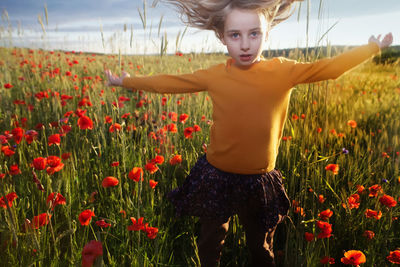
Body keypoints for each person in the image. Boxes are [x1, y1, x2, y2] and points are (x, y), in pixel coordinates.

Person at [105, 0, 393, 266]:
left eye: (254, 33)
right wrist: (128, 81)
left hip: (259, 180)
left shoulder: (284, 72)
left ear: (267, 34)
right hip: (216, 175)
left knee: (260, 246)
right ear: (222, 37)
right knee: (209, 242)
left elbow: (327, 69)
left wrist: (370, 49)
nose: (245, 44)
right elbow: (171, 82)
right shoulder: (215, 75)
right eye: (235, 35)